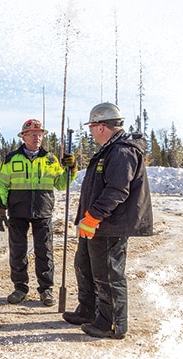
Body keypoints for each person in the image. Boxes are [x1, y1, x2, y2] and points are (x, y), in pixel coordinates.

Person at [62, 102, 153, 339]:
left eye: (92, 127)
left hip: (109, 224)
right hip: (95, 224)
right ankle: (89, 311)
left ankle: (112, 324)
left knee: (108, 274)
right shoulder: (109, 150)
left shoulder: (123, 151)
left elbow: (117, 191)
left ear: (102, 126)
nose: (91, 132)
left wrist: (93, 217)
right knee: (85, 266)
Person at [0, 119, 77, 306]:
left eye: (40, 135)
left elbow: (61, 185)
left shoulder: (50, 159)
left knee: (44, 252)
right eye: (33, 134)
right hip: (18, 212)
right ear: (23, 136)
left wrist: (71, 169)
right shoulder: (11, 159)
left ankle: (46, 290)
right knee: (18, 251)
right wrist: (0, 210)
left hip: (43, 211)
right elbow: (0, 184)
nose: (37, 138)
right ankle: (20, 288)